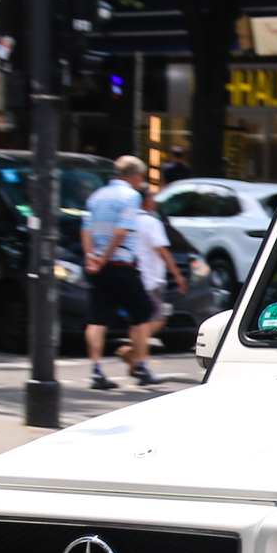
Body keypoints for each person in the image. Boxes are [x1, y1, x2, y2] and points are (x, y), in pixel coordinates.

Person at [79, 161, 153, 391]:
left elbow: (85, 230)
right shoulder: (131, 196)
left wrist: (92, 256)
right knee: (142, 314)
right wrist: (107, 257)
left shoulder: (96, 196)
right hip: (121, 265)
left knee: (97, 319)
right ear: (136, 175)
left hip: (99, 268)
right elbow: (122, 231)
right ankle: (141, 366)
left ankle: (96, 369)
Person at [108, 157, 182, 387]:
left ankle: (134, 356)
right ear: (145, 202)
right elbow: (163, 251)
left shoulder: (130, 220)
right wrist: (176, 274)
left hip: (133, 276)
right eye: (152, 198)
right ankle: (135, 354)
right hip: (152, 279)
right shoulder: (151, 222)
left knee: (142, 320)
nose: (155, 203)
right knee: (156, 319)